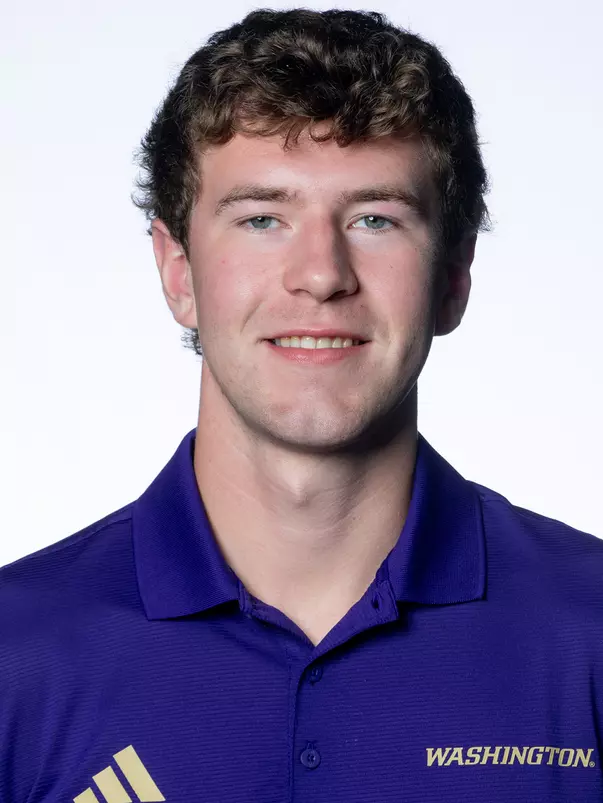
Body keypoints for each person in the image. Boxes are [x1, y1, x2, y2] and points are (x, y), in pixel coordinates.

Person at [1, 8, 601, 803]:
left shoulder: (588, 633)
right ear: (177, 271)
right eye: (262, 218)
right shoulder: (17, 654)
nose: (321, 273)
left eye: (374, 218)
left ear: (453, 275)